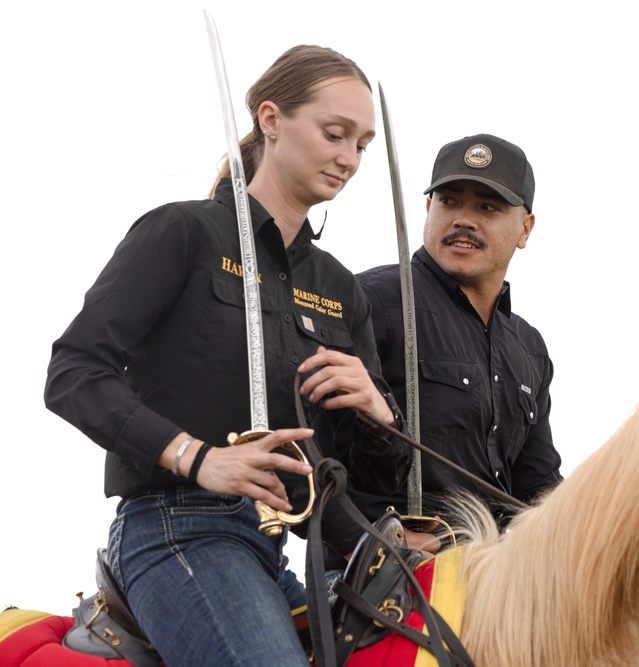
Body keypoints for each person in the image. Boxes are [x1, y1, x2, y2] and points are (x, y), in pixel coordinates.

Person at [44, 45, 410, 667]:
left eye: (363, 144)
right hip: (173, 530)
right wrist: (198, 457)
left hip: (278, 550)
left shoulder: (342, 290)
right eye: (334, 134)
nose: (349, 159)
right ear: (271, 119)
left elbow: (371, 480)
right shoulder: (181, 233)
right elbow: (73, 372)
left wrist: (380, 413)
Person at [353, 133, 562, 529]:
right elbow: (313, 451)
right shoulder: (370, 302)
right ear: (429, 207)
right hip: (388, 573)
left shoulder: (529, 348)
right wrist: (373, 537)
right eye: (449, 201)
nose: (464, 219)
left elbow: (539, 489)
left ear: (525, 229)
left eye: (488, 206)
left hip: (499, 573)